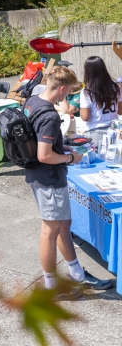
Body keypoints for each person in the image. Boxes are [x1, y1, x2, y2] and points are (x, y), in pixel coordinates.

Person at [24, 65, 113, 297]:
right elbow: (44, 155)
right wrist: (71, 157)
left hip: (40, 175)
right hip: (48, 178)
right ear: (61, 88)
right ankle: (52, 286)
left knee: (63, 225)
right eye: (70, 92)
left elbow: (38, 144)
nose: (70, 96)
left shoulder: (33, 101)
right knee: (50, 230)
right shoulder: (50, 115)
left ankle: (77, 275)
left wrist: (60, 147)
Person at [79, 56, 122, 132]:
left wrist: (81, 111)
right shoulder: (116, 88)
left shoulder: (86, 92)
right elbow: (120, 111)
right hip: (114, 129)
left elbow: (85, 117)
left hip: (95, 130)